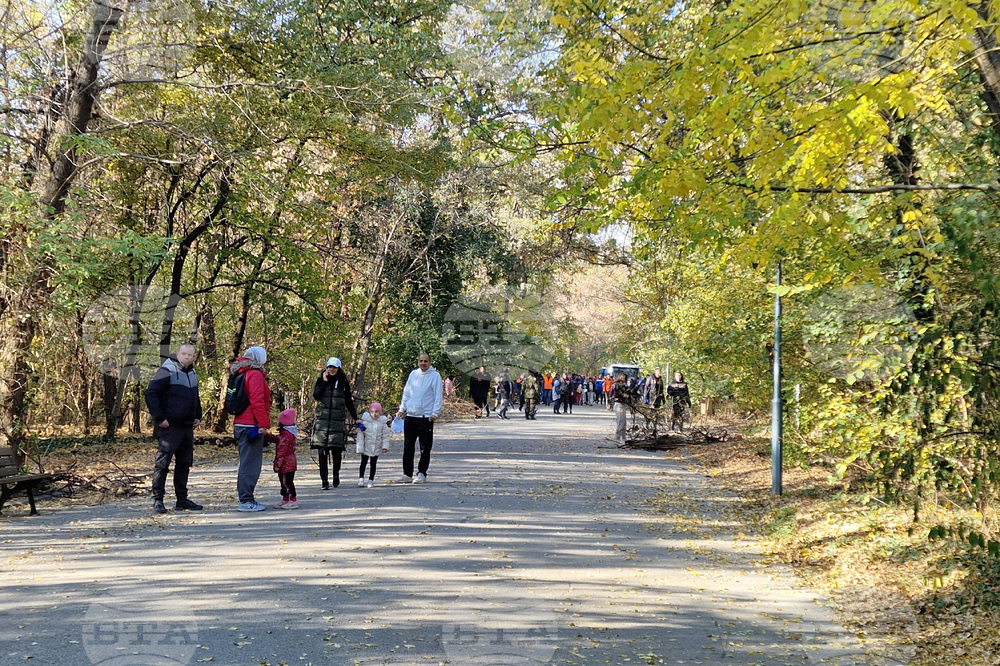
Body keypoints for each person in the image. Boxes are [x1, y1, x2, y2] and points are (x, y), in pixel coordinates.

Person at [145, 343, 203, 514]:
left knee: (184, 463)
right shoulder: (166, 370)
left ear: (193, 357)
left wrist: (198, 415)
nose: (186, 357)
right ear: (178, 354)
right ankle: (158, 500)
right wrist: (159, 417)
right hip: (170, 426)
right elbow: (151, 394)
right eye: (184, 354)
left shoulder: (192, 373)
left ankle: (182, 500)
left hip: (187, 426)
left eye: (190, 355)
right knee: (162, 464)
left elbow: (195, 396)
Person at [232, 345, 271, 512]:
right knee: (250, 465)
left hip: (241, 422)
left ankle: (247, 498)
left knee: (247, 462)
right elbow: (257, 400)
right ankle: (246, 500)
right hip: (250, 425)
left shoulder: (240, 372)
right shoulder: (254, 374)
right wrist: (263, 424)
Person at [311, 357, 358, 489]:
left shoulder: (343, 381)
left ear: (338, 368)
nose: (332, 369)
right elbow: (316, 396)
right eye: (330, 367)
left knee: (336, 452)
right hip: (322, 422)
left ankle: (336, 474)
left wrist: (355, 418)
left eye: (334, 367)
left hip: (337, 422)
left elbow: (348, 401)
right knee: (322, 452)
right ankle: (324, 480)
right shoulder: (321, 379)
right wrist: (324, 382)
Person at [396, 352, 443, 484]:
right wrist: (402, 409)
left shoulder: (435, 376)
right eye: (421, 361)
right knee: (408, 446)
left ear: (430, 362)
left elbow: (438, 396)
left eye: (425, 361)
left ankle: (422, 472)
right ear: (418, 362)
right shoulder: (413, 374)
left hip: (425, 417)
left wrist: (435, 413)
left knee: (425, 447)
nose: (423, 363)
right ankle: (407, 473)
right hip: (411, 415)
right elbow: (406, 393)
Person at [264, 409, 299, 509]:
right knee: (284, 482)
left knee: (287, 482)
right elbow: (277, 439)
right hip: (289, 462)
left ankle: (293, 500)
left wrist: (277, 464)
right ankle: (285, 498)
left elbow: (281, 452)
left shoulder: (285, 436)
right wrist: (267, 436)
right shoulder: (287, 433)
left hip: (286, 463)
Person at [356, 402, 390, 488]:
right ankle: (361, 478)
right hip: (366, 446)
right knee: (363, 462)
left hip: (376, 447)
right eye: (372, 412)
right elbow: (361, 435)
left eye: (376, 412)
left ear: (380, 412)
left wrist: (385, 446)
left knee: (373, 464)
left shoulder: (382, 423)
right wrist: (360, 447)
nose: (374, 414)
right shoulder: (365, 422)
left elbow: (385, 436)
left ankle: (371, 479)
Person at [610, 372, 631, 444]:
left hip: (622, 404)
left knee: (624, 422)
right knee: (620, 421)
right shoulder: (617, 385)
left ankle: (623, 437)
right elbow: (617, 394)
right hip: (618, 404)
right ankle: (618, 437)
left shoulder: (624, 385)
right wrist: (625, 395)